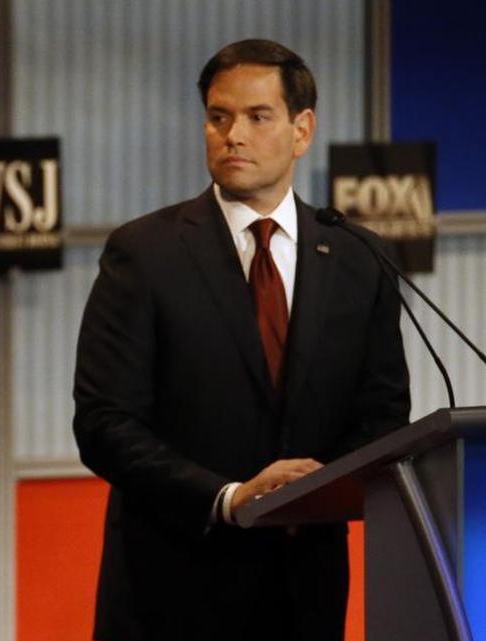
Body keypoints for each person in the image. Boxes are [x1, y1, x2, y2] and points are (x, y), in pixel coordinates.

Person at [73, 39, 410, 641]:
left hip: (305, 586)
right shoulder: (144, 254)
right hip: (173, 589)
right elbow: (104, 423)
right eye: (218, 117)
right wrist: (228, 497)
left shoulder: (358, 257)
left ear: (301, 130)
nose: (233, 135)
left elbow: (383, 412)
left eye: (258, 117)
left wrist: (315, 492)